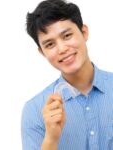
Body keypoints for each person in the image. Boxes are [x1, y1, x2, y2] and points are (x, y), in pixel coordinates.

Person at [21, 0, 113, 149]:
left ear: (84, 33)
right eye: (50, 44)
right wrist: (51, 138)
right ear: (42, 52)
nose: (62, 48)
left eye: (67, 36)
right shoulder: (34, 111)